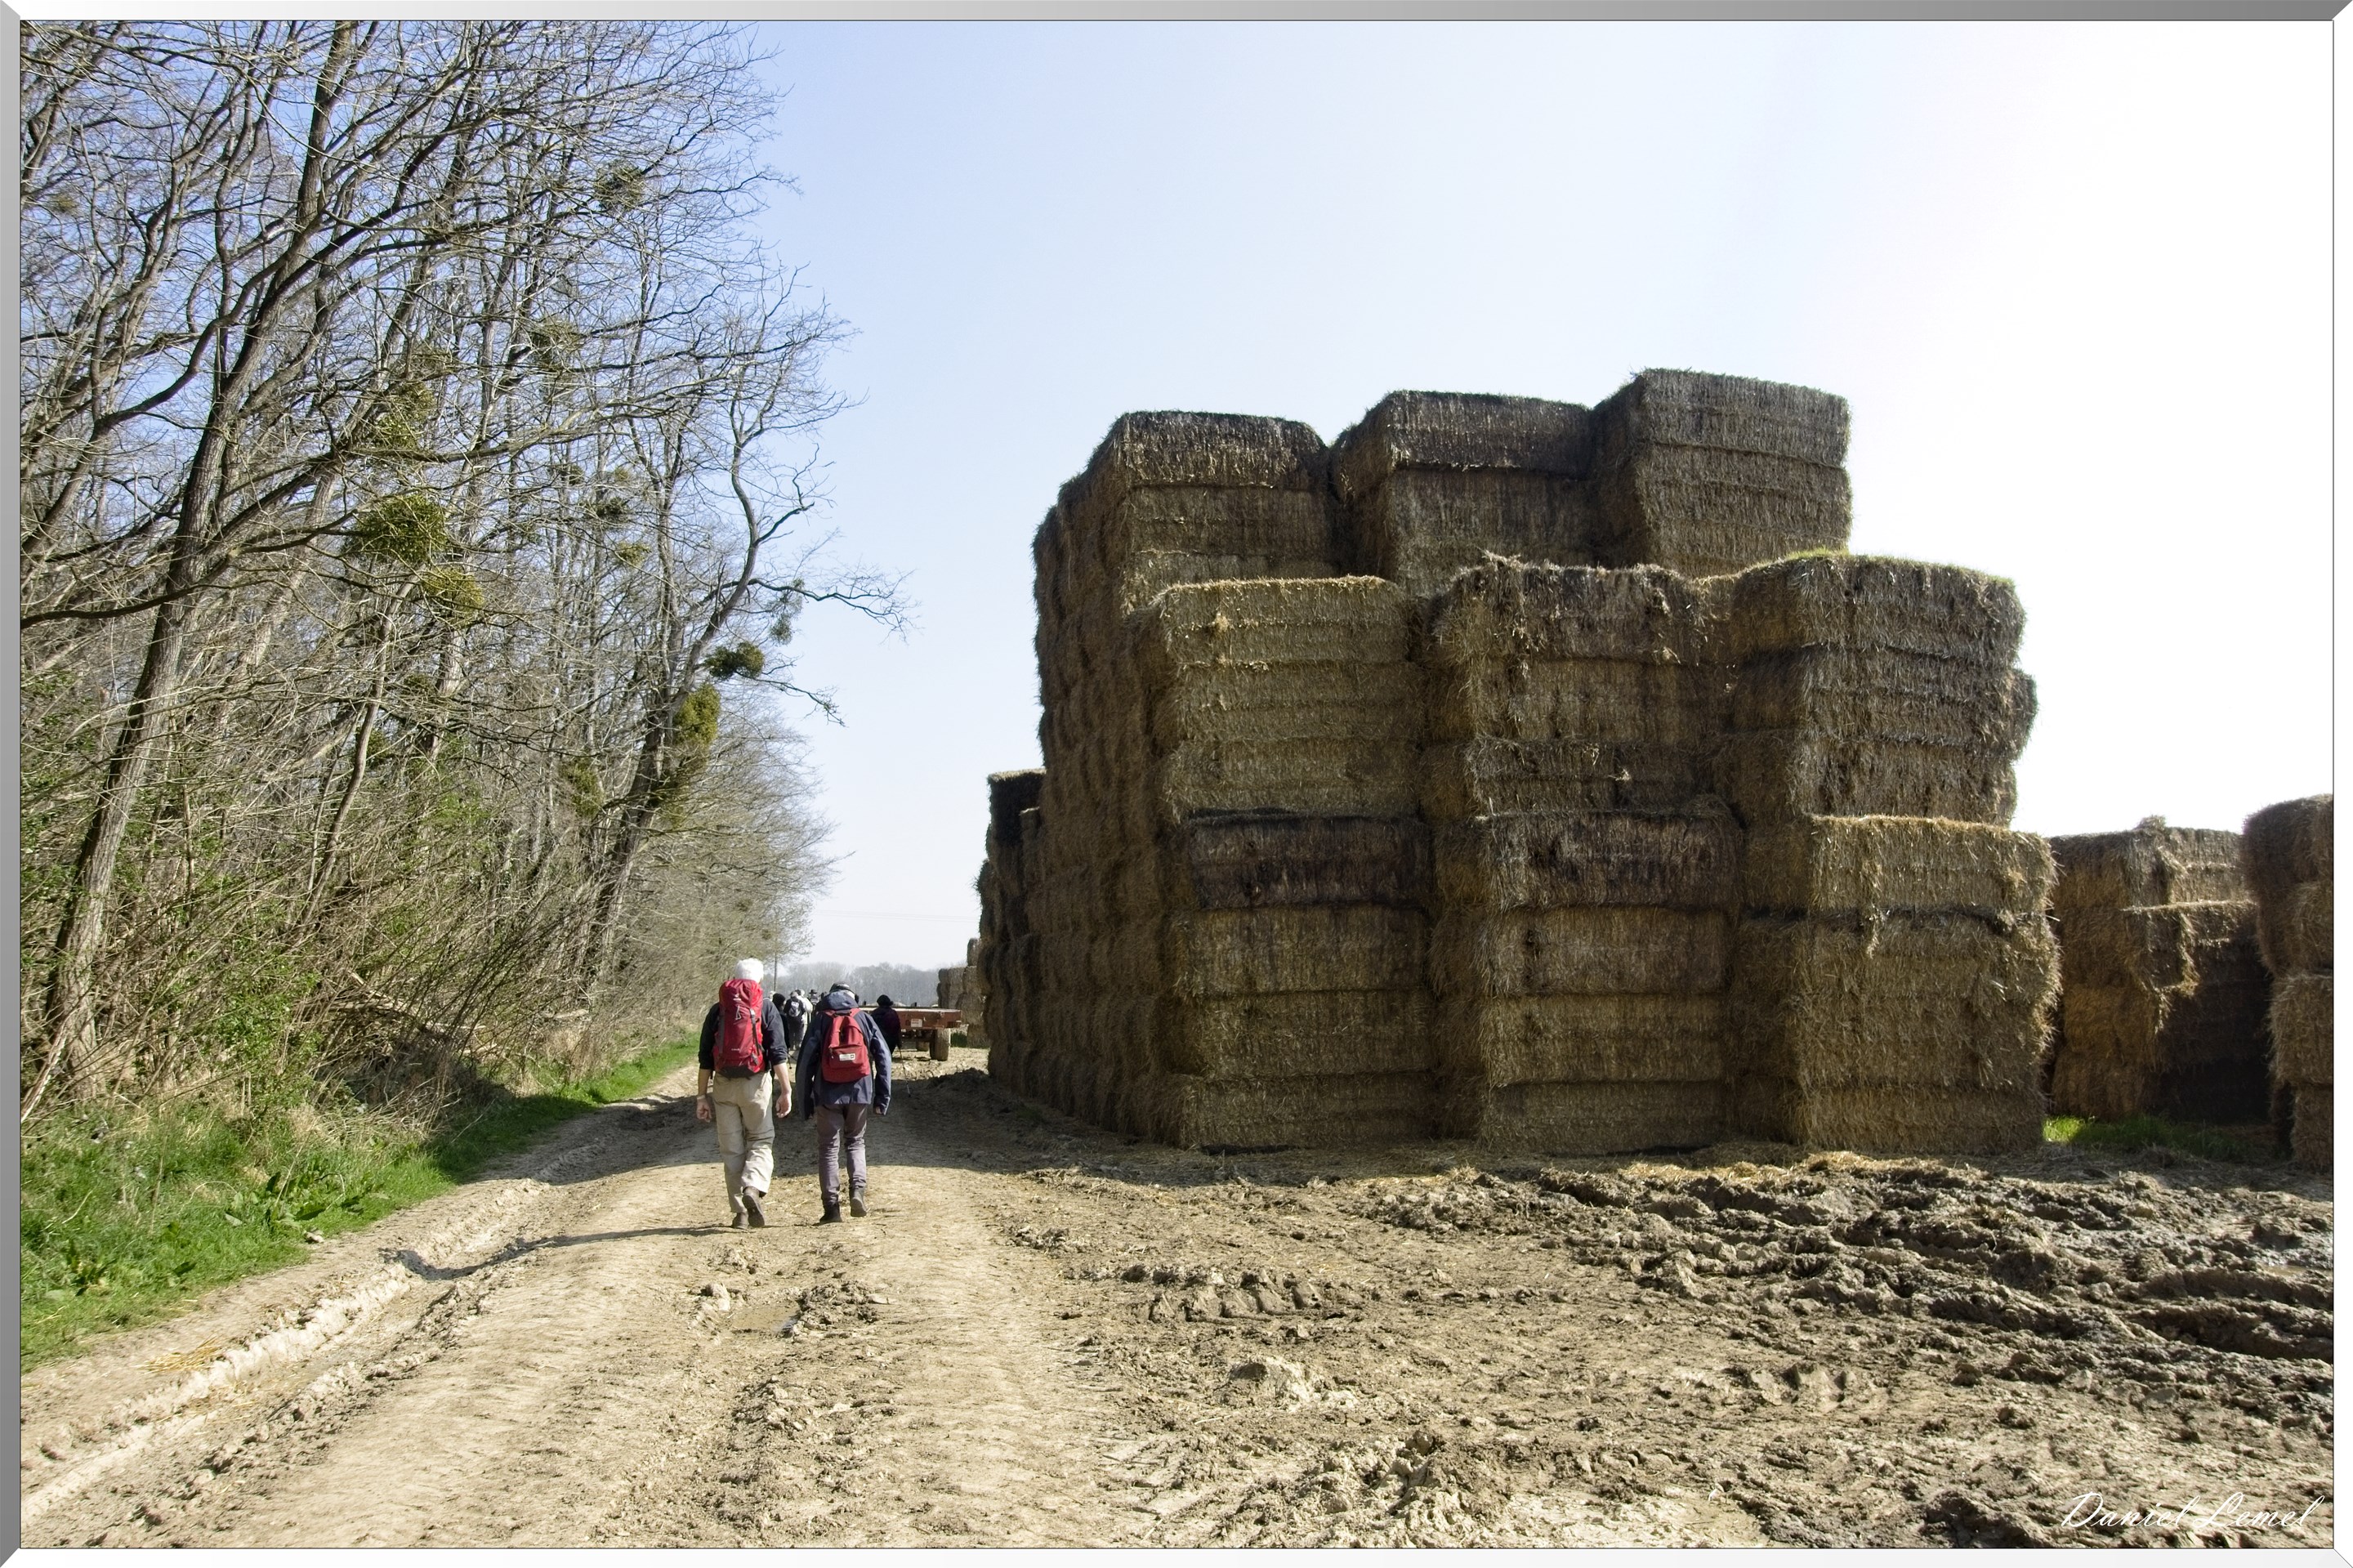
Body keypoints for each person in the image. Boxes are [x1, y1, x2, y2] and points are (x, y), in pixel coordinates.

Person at [696, 958, 788, 1227]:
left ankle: (741, 1214)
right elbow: (778, 1053)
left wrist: (702, 1096)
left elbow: (704, 1058)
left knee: (732, 1149)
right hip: (756, 1083)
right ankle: (753, 1187)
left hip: (723, 1083)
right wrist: (786, 1089)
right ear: (759, 981)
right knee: (760, 1139)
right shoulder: (767, 1007)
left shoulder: (718, 1009)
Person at [797, 982, 891, 1223]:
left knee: (829, 1149)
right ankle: (857, 1192)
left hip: (827, 1093)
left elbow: (805, 1063)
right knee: (856, 1142)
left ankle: (831, 1209)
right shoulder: (863, 1019)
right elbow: (884, 1058)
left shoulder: (820, 1019)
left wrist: (805, 1103)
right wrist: (882, 1097)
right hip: (860, 1091)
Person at [873, 994, 905, 1059]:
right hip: (892, 1040)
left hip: (879, 1039)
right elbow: (898, 1028)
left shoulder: (875, 1013)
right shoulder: (893, 1013)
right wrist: (899, 1042)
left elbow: (871, 1027)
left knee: (880, 1058)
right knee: (888, 1057)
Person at [781, 987, 810, 1056]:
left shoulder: (789, 1001)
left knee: (791, 1032)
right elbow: (803, 1010)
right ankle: (797, 1045)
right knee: (798, 1032)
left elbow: (785, 1010)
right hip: (798, 1020)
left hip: (790, 1020)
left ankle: (791, 1045)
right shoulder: (800, 1001)